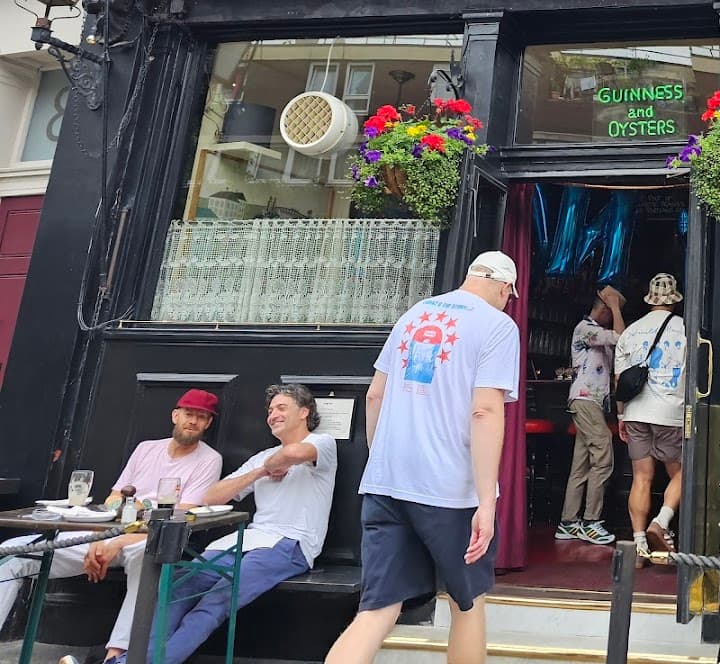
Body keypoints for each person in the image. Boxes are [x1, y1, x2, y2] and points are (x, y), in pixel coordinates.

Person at [326, 250, 521, 664]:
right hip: (450, 490)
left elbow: (375, 394)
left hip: (386, 482)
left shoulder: (414, 314)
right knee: (467, 605)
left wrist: (382, 462)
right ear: (505, 287)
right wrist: (487, 502)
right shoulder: (498, 326)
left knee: (376, 609)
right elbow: (484, 410)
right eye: (510, 295)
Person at [115, 384, 337, 664]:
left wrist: (276, 461)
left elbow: (294, 455)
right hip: (245, 541)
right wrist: (261, 471)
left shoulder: (323, 443)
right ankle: (132, 661)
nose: (273, 415)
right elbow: (213, 495)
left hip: (289, 545)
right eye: (270, 411)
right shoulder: (261, 459)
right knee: (178, 588)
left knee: (216, 601)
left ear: (304, 412)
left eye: (281, 408)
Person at [0, 389, 222, 662]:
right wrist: (98, 539)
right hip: (110, 532)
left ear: (208, 424)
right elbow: (115, 497)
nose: (193, 421)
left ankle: (116, 656)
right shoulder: (146, 448)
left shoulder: (209, 459)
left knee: (149, 557)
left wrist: (115, 541)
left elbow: (184, 512)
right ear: (175, 415)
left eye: (202, 417)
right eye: (189, 414)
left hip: (148, 538)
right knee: (12, 551)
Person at [614, 273, 686, 566]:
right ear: (674, 300)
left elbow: (619, 379)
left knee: (641, 478)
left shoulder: (631, 331)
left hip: (635, 412)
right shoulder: (684, 329)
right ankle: (662, 520)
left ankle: (640, 547)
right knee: (683, 473)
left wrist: (621, 414)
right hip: (670, 412)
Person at [555, 284, 626, 545]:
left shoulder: (594, 332)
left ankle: (569, 521)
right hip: (585, 400)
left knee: (581, 464)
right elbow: (622, 337)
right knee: (603, 456)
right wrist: (616, 307)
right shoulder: (585, 329)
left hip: (589, 402)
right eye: (612, 311)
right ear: (604, 310)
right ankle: (591, 522)